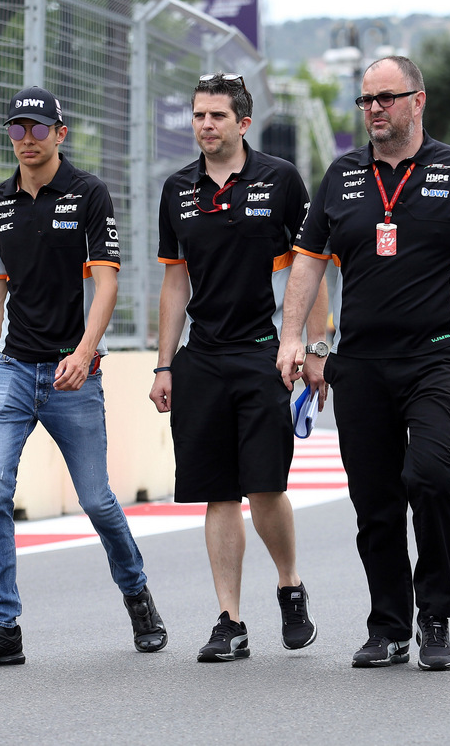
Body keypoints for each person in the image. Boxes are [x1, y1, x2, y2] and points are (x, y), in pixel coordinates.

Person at [276, 56, 450, 671]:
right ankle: (389, 626)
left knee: (431, 478)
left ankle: (436, 617)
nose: (374, 108)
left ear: (417, 100)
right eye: (366, 100)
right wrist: (296, 339)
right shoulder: (342, 175)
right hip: (362, 365)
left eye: (386, 97)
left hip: (434, 357)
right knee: (374, 502)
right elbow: (308, 260)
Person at [0, 86, 166, 668]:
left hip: (74, 374)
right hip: (15, 372)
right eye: (16, 130)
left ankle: (137, 595)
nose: (26, 141)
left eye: (37, 130)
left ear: (59, 135)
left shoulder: (90, 193)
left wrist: (85, 351)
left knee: (96, 500)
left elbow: (107, 283)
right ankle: (3, 627)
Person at [149, 72, 326, 663]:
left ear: (242, 122)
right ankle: (230, 619)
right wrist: (164, 364)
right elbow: (175, 281)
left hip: (265, 352)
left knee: (265, 485)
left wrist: (313, 346)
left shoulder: (281, 180)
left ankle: (290, 584)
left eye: (217, 116)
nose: (205, 125)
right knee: (217, 493)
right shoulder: (176, 189)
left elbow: (312, 263)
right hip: (203, 358)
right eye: (199, 115)